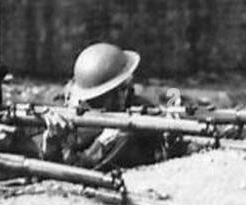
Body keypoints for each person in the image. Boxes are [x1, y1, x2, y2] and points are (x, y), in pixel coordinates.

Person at [53, 42, 189, 172]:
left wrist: (169, 136)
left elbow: (160, 149)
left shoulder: (136, 105)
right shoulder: (70, 116)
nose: (124, 94)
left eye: (126, 86)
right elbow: (73, 167)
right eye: (121, 88)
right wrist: (101, 144)